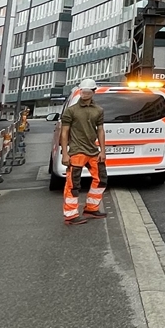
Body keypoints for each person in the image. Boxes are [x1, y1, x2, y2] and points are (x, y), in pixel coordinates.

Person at [60, 78, 107, 225]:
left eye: (87, 92)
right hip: (77, 152)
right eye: (82, 91)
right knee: (73, 184)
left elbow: (100, 130)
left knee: (101, 180)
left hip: (93, 151)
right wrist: (65, 153)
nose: (84, 94)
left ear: (94, 92)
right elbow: (64, 132)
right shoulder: (71, 111)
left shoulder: (98, 110)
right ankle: (71, 215)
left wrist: (102, 150)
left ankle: (91, 209)